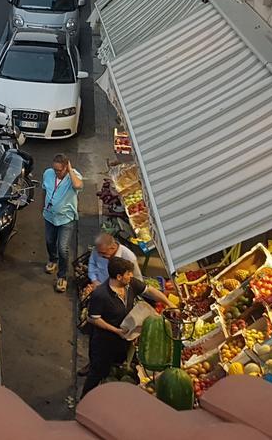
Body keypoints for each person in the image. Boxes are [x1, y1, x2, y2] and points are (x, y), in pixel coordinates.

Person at [82, 257, 174, 396]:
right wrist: (116, 330)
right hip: (104, 344)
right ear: (119, 277)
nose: (131, 275)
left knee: (116, 371)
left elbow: (150, 291)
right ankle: (85, 399)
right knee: (97, 372)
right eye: (128, 273)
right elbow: (93, 318)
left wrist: (169, 304)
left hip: (123, 341)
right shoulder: (101, 294)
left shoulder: (130, 285)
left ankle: (107, 396)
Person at [42, 153, 82, 292]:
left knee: (63, 248)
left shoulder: (73, 177)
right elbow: (44, 191)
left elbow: (78, 185)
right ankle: (53, 260)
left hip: (66, 219)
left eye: (59, 170)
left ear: (66, 168)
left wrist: (70, 171)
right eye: (55, 169)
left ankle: (62, 276)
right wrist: (43, 206)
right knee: (49, 241)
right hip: (49, 216)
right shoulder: (48, 173)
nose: (56, 172)